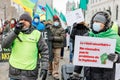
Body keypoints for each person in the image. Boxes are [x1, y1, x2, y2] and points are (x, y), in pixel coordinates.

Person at [2, 13, 49, 80]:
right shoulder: (13, 32)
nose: (23, 21)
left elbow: (44, 51)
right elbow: (4, 45)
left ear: (30, 22)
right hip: (15, 73)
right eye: (21, 20)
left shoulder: (36, 34)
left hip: (30, 73)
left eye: (26, 20)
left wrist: (44, 67)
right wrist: (15, 32)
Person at [88, 11, 120, 80]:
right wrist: (76, 72)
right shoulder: (88, 36)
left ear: (105, 24)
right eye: (94, 21)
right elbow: (80, 55)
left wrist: (117, 57)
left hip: (106, 75)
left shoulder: (114, 37)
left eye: (99, 22)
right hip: (90, 74)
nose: (95, 24)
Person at [48, 15, 65, 80]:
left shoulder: (61, 29)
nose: (56, 22)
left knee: (56, 60)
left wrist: (54, 38)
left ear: (59, 21)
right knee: (50, 59)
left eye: (57, 21)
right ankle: (50, 70)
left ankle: (55, 73)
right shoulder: (50, 28)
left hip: (58, 46)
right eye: (54, 21)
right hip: (50, 46)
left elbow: (62, 38)